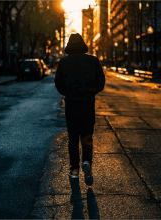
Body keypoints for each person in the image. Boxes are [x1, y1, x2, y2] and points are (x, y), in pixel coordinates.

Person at [55, 33, 105, 186]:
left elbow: (58, 84)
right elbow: (101, 83)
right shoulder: (93, 61)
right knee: (87, 136)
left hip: (71, 105)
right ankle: (87, 162)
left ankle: (74, 170)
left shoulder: (64, 62)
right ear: (83, 45)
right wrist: (89, 92)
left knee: (73, 138)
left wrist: (69, 93)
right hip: (88, 105)